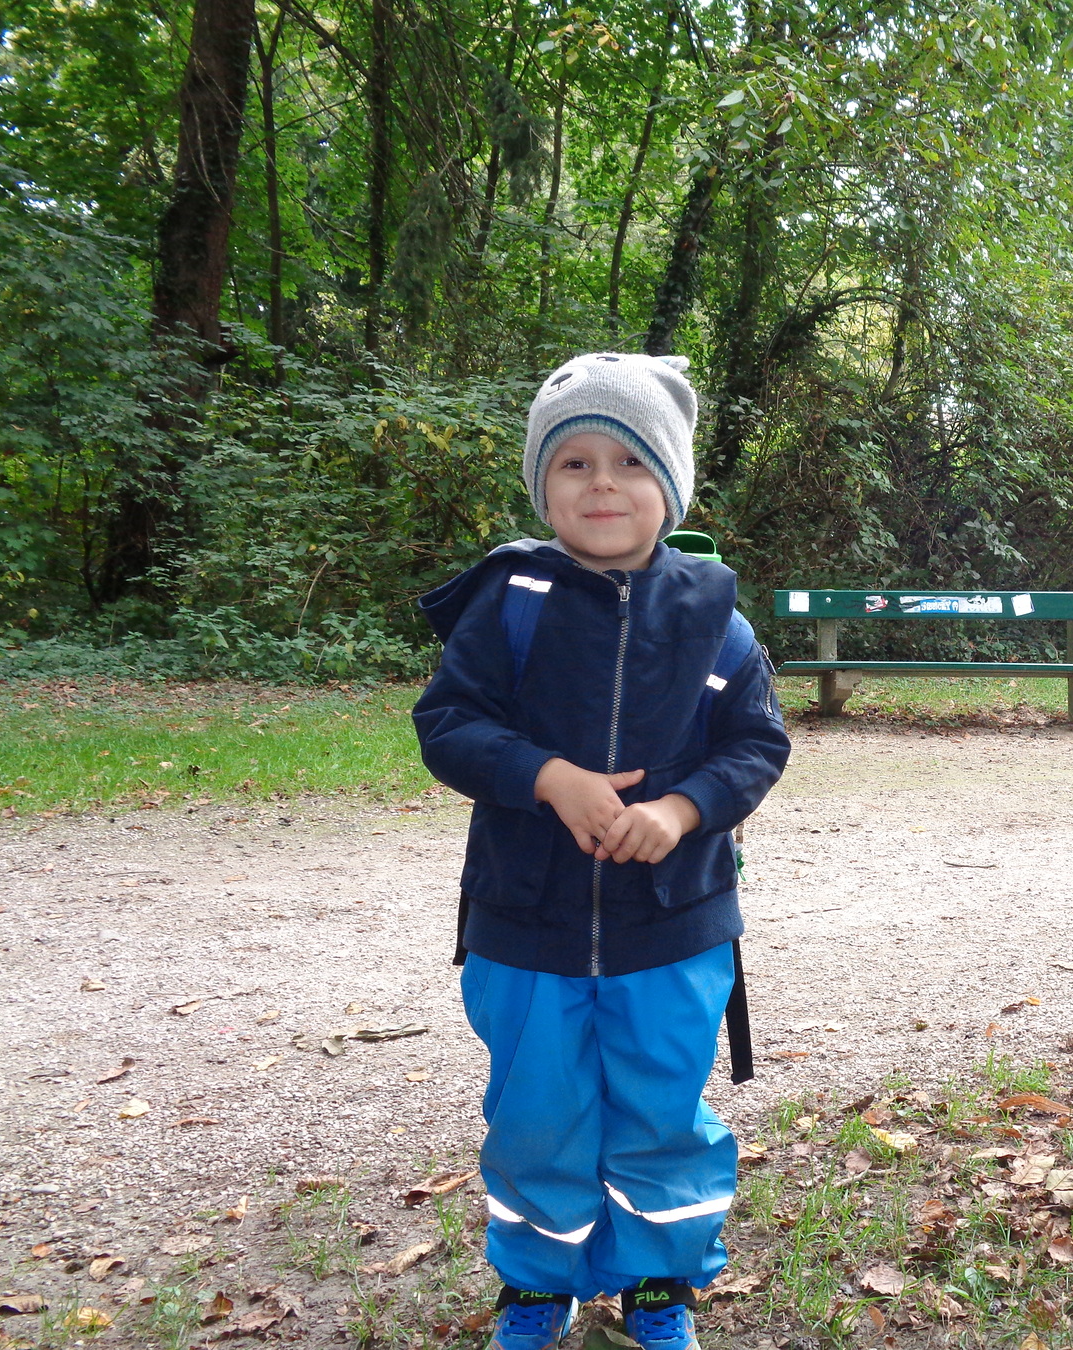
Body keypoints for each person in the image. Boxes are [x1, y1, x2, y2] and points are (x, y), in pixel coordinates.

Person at [412, 352, 790, 1350]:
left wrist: (683, 811)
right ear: (543, 488)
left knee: (662, 1111)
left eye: (629, 463)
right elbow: (447, 724)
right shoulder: (510, 603)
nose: (602, 485)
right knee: (538, 1114)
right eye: (573, 463)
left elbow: (757, 746)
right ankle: (539, 1282)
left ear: (670, 485)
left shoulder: (716, 620)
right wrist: (545, 775)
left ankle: (661, 1280)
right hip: (524, 926)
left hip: (673, 929)